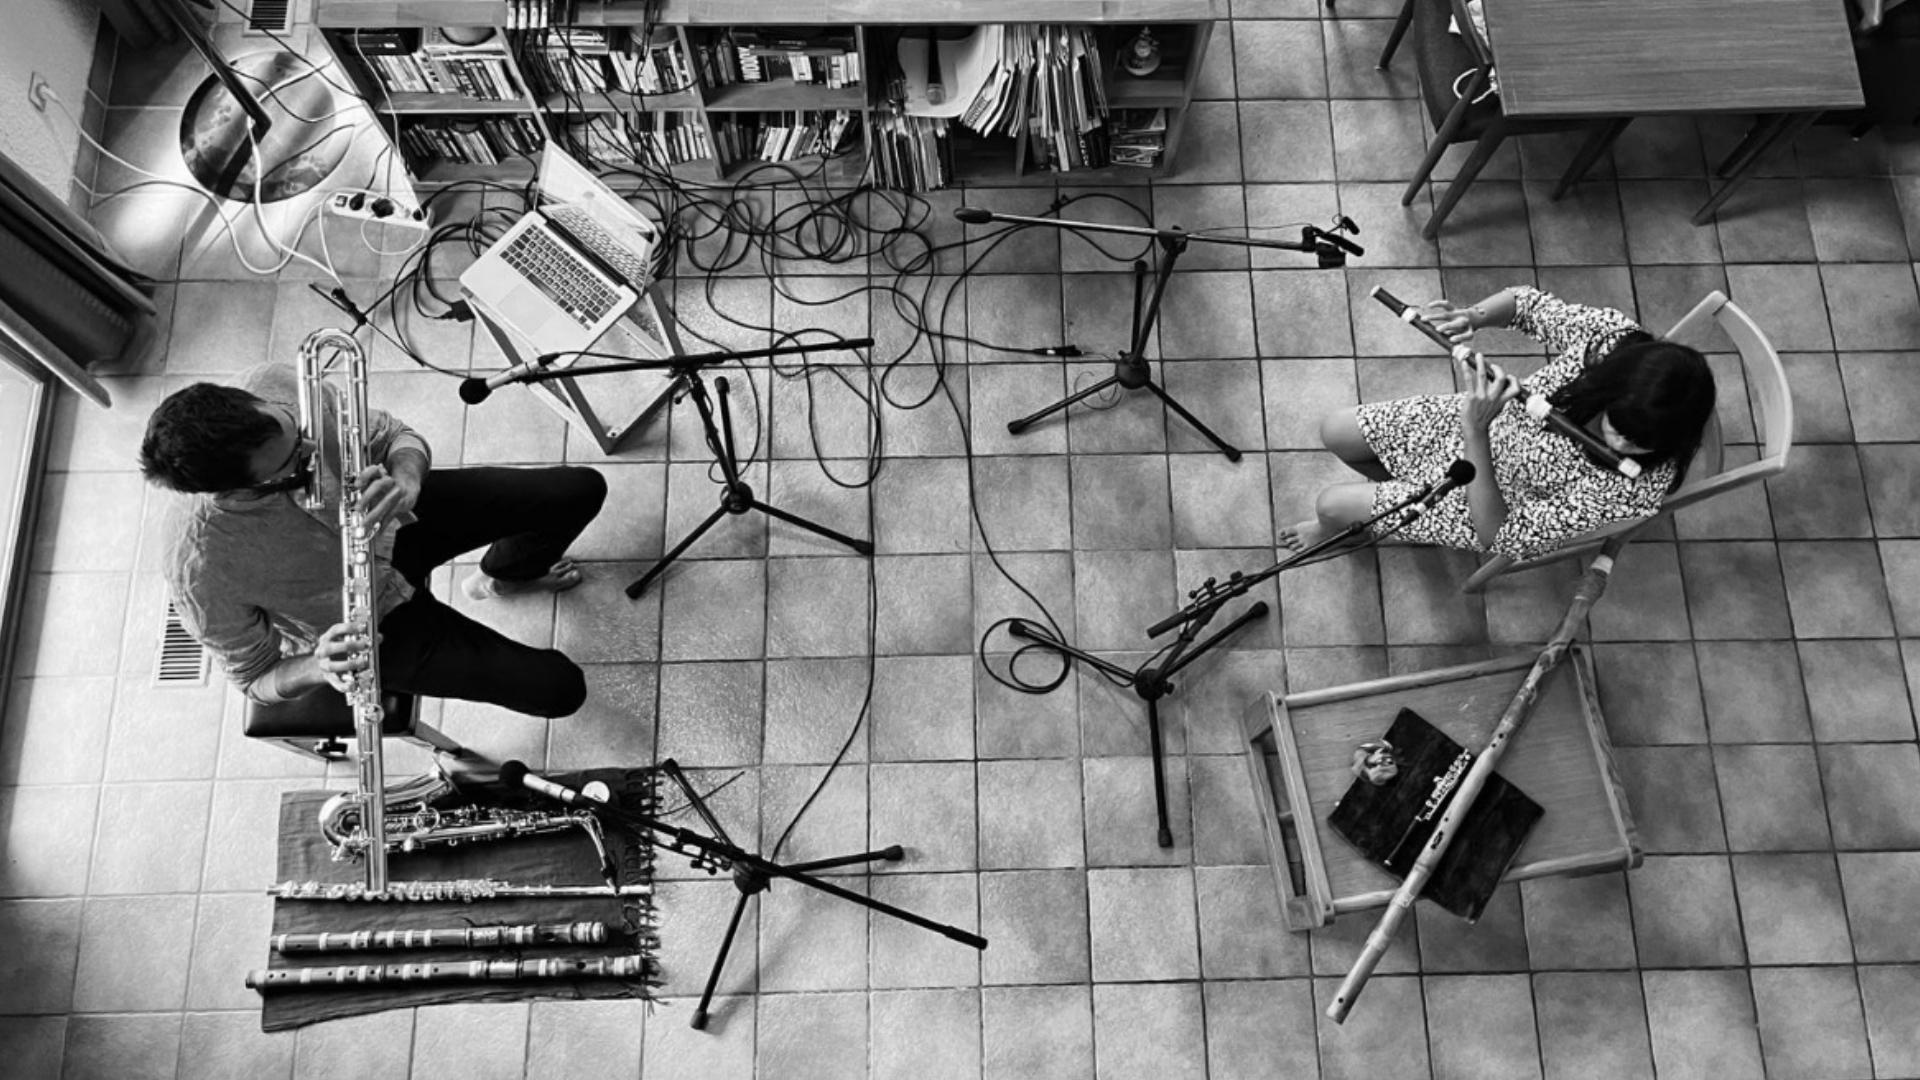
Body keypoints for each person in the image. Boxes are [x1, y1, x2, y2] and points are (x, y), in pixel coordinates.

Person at [140, 361, 608, 718]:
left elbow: (393, 436)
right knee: (559, 689)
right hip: (367, 618)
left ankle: (507, 575)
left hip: (394, 519)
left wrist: (407, 478)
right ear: (237, 489)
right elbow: (254, 677)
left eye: (295, 431)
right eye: (291, 466)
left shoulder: (277, 385)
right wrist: (317, 666)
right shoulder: (199, 565)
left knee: (579, 490)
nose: (310, 450)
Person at [1281, 285, 1716, 561]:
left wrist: (1476, 433)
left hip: (1488, 498)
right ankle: (1399, 503)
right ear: (1611, 384)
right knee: (1334, 430)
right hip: (1484, 422)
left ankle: (1363, 527)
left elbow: (1500, 537)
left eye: (1638, 443)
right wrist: (1471, 317)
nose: (1619, 441)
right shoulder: (1612, 342)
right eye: (1616, 422)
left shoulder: (1633, 488)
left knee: (1330, 505)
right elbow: (1526, 304)